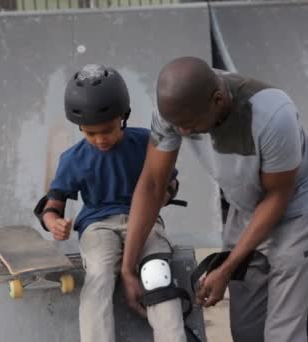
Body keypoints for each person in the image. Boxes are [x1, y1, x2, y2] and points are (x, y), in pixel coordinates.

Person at [121, 56, 308, 342]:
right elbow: (151, 184)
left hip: (300, 212)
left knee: (288, 333)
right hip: (245, 206)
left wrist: (227, 268)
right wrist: (128, 267)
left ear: (218, 100)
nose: (182, 132)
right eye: (177, 125)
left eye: (190, 125)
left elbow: (277, 195)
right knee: (248, 330)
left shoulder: (272, 115)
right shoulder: (175, 112)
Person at [35, 64, 188, 342]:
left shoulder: (146, 143)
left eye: (107, 130)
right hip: (98, 226)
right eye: (90, 133)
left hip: (145, 222)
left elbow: (171, 183)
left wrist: (162, 198)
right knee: (99, 276)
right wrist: (53, 223)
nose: (100, 139)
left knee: (156, 274)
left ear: (123, 117)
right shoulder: (72, 158)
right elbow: (52, 204)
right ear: (79, 127)